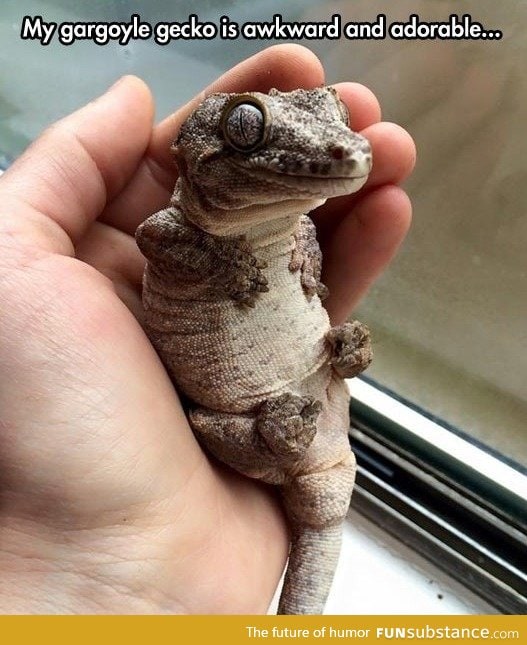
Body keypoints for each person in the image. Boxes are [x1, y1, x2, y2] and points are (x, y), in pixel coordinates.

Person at [0, 45, 415, 613]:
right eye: (248, 128)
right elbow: (155, 237)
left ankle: (308, 406)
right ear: (198, 159)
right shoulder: (172, 229)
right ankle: (281, 436)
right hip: (261, 432)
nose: (339, 145)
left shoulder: (296, 224)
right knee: (224, 426)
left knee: (319, 462)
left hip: (318, 407)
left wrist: (302, 255)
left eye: (333, 119)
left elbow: (308, 229)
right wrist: (223, 263)